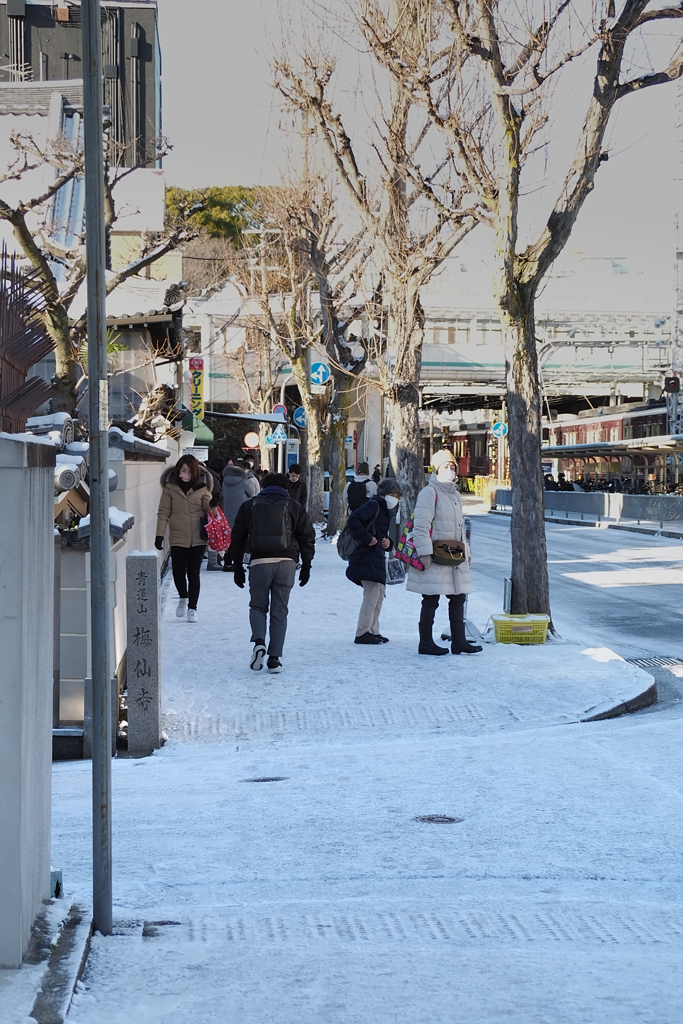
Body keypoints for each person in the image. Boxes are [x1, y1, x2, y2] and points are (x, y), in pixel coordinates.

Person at [230, 472, 315, 673]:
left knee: (258, 606)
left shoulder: (249, 506)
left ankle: (259, 642)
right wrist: (307, 565)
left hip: (259, 561)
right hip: (287, 561)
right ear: (286, 488)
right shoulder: (294, 506)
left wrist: (236, 567)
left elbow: (238, 537)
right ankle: (274, 658)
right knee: (280, 610)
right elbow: (306, 536)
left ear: (262, 486)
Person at [406, 449, 482, 656]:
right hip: (436, 554)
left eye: (452, 467)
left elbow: (459, 527)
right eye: (445, 467)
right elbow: (420, 526)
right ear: (436, 469)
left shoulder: (455, 494)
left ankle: (459, 641)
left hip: (455, 555)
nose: (450, 470)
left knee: (458, 596)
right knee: (430, 598)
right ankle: (426, 643)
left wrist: (467, 551)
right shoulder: (429, 492)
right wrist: (424, 553)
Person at [155, 454, 213, 623]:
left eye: (188, 470)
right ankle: (183, 596)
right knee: (178, 572)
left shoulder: (203, 488)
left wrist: (213, 505)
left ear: (194, 472)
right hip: (178, 535)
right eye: (182, 470)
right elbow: (163, 513)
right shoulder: (170, 488)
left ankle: (192, 608)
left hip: (198, 537)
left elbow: (209, 512)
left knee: (193, 573)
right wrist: (159, 535)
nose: (185, 473)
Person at [345, 478, 403, 645]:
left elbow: (379, 533)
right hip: (366, 556)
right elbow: (353, 520)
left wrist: (388, 543)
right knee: (371, 595)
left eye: (397, 496)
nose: (395, 499)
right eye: (392, 495)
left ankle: (373, 630)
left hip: (376, 556)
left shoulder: (385, 509)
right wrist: (367, 538)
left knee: (378, 595)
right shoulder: (374, 505)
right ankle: (362, 631)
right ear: (383, 494)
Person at [221, 458, 260, 571]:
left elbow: (223, 495)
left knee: (230, 538)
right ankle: (237, 562)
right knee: (240, 538)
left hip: (227, 512)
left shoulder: (224, 481)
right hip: (241, 511)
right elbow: (251, 493)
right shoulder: (243, 481)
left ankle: (227, 561)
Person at [205, 456, 226, 571]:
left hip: (209, 509)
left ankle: (214, 560)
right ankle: (212, 562)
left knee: (214, 535)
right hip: (213, 509)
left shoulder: (209, 474)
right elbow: (215, 494)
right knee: (215, 535)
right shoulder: (214, 478)